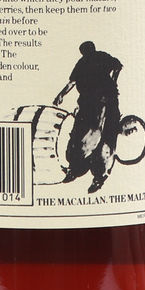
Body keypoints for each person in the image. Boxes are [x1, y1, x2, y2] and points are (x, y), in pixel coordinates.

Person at [55, 40, 123, 193]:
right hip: (88, 103)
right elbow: (72, 82)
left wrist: (112, 82)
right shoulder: (84, 62)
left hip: (106, 101)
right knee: (80, 136)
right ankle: (75, 169)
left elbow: (118, 65)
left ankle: (98, 176)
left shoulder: (99, 57)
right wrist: (61, 95)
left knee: (104, 138)